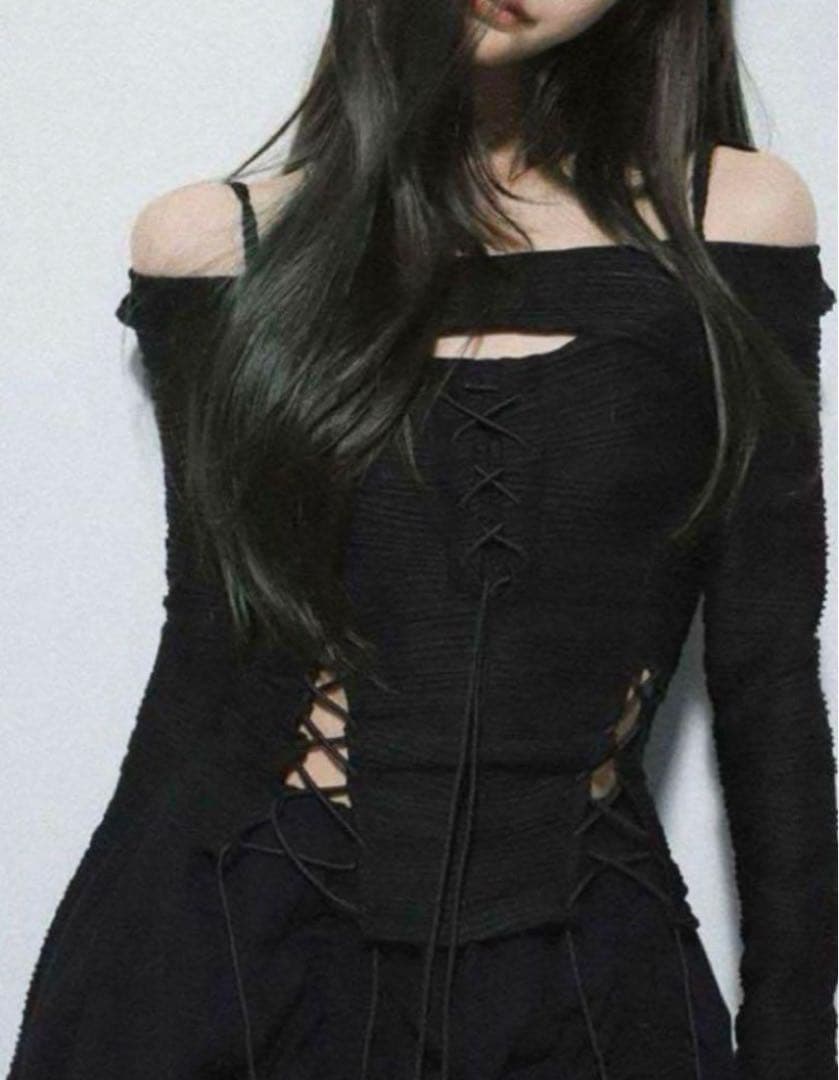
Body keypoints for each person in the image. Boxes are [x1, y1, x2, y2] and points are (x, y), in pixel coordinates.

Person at [8, 1, 837, 1078]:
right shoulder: (214, 239)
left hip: (578, 979)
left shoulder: (730, 217)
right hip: (216, 962)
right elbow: (208, 641)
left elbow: (767, 673)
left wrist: (792, 1046)